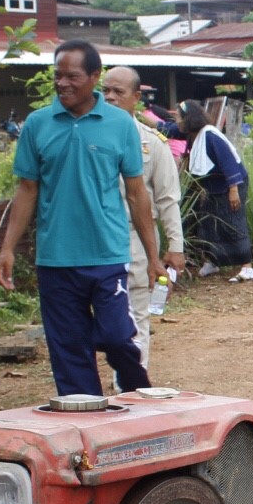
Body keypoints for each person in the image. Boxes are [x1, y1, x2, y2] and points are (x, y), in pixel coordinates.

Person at [0, 39, 157, 398]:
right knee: (68, 352)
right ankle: (87, 423)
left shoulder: (119, 124)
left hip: (107, 255)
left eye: (73, 76)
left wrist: (153, 256)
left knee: (116, 335)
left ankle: (138, 392)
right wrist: (7, 249)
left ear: (95, 77)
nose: (63, 83)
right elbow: (26, 190)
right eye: (58, 76)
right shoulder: (37, 125)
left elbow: (136, 193)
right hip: (55, 259)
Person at [101, 66, 186, 368]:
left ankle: (132, 394)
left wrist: (175, 247)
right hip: (93, 243)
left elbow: (167, 200)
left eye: (118, 92)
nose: (109, 97)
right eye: (105, 91)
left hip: (135, 240)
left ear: (136, 98)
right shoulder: (87, 137)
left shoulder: (151, 144)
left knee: (136, 317)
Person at [178, 99, 253, 282]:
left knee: (233, 222)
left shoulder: (211, 136)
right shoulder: (192, 134)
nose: (177, 122)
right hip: (213, 187)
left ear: (188, 119)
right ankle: (213, 261)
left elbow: (228, 163)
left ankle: (247, 267)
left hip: (231, 185)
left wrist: (234, 190)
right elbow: (164, 127)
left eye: (179, 118)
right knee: (209, 224)